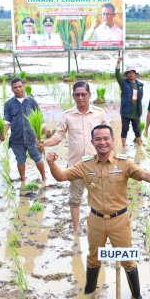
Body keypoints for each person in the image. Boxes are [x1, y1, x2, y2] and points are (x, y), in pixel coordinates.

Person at [45, 124, 150, 299]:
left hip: (119, 220)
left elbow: (145, 176)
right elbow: (61, 176)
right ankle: (89, 292)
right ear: (92, 142)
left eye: (106, 138)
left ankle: (137, 297)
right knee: (93, 258)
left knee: (127, 260)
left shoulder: (124, 163)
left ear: (112, 141)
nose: (102, 142)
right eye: (98, 139)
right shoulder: (85, 164)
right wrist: (51, 164)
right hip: (95, 220)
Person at [40, 82, 108, 234]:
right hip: (76, 166)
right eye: (77, 95)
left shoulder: (100, 113)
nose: (81, 97)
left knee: (99, 198)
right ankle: (76, 229)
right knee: (75, 199)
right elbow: (58, 137)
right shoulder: (68, 115)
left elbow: (109, 138)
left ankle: (98, 227)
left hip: (97, 164)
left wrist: (113, 159)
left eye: (84, 94)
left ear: (90, 95)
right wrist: (44, 143)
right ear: (73, 96)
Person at [2, 77, 47, 183]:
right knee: (20, 160)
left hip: (32, 137)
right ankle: (23, 180)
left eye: (20, 86)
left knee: (38, 158)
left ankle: (44, 178)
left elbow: (39, 118)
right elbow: (7, 121)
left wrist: (45, 129)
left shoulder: (31, 101)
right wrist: (3, 133)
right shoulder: (8, 104)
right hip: (17, 138)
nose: (18, 89)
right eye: (15, 87)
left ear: (23, 87)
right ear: (12, 89)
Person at [115, 56, 144, 148]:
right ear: (126, 75)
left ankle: (139, 147)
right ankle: (123, 147)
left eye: (133, 72)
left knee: (137, 130)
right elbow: (117, 74)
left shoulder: (140, 85)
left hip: (136, 112)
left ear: (136, 74)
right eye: (129, 73)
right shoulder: (123, 83)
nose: (131, 74)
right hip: (126, 112)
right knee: (125, 129)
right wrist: (118, 62)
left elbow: (141, 97)